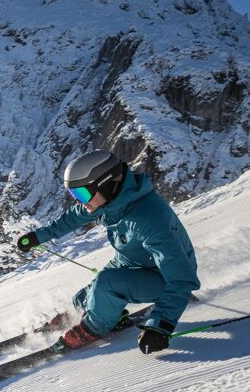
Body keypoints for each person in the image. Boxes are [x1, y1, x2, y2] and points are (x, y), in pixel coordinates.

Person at [16, 150, 200, 354]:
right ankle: (100, 313)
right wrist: (37, 237)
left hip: (164, 276)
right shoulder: (110, 203)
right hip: (133, 262)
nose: (79, 201)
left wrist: (160, 326)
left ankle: (92, 329)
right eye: (74, 195)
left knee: (106, 284)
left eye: (82, 194)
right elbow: (73, 218)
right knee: (85, 296)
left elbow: (181, 278)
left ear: (105, 183)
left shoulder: (148, 218)